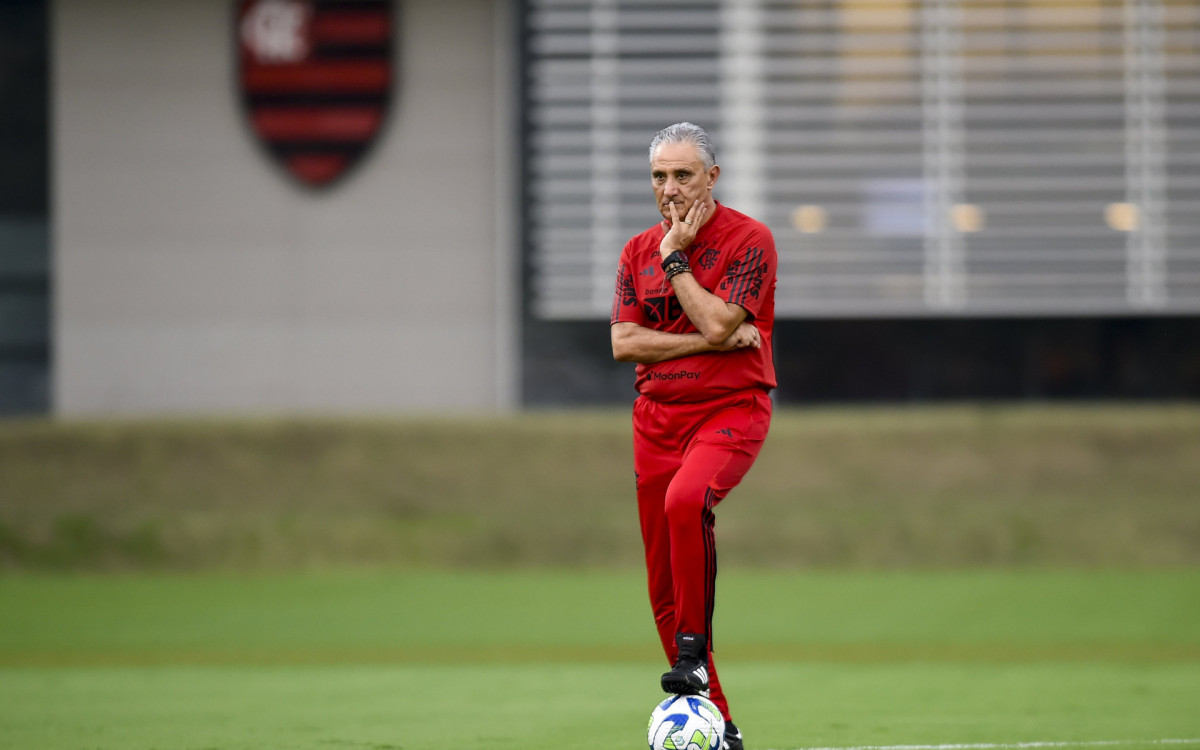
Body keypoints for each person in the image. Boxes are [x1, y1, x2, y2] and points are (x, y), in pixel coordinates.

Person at [610, 122, 776, 750]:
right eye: (659, 176)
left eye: (683, 174)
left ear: (713, 176)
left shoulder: (749, 241)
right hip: (655, 421)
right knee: (661, 585)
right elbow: (625, 343)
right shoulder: (633, 251)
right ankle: (722, 726)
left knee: (687, 501)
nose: (670, 189)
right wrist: (705, 340)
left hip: (730, 409)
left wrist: (676, 259)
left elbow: (717, 318)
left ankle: (691, 651)